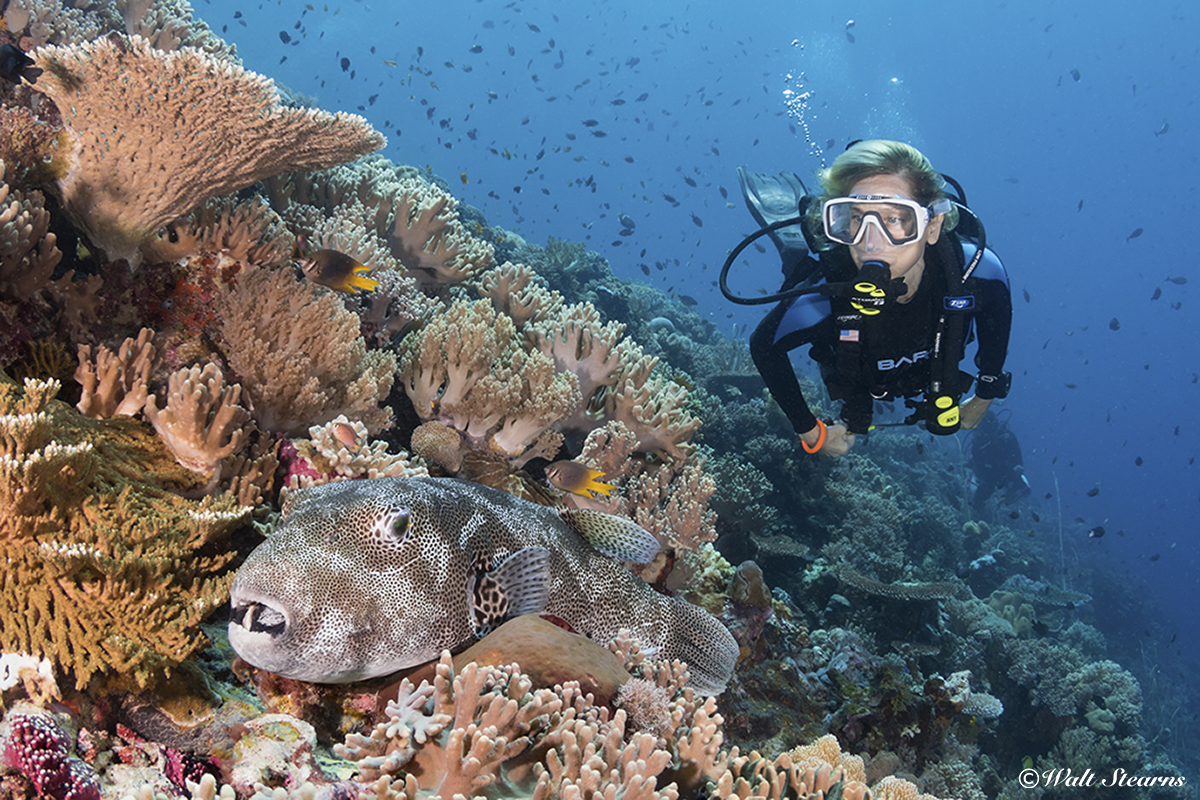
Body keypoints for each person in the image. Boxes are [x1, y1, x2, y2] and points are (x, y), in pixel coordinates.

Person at [743, 140, 1012, 457]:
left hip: (923, 374)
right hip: (858, 369)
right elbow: (764, 346)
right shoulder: (825, 296)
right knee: (801, 272)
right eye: (856, 218)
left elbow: (998, 314)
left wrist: (985, 394)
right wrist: (812, 432)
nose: (871, 243)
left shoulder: (976, 271)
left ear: (933, 225)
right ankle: (797, 245)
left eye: (895, 219)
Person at [967, 409, 1030, 511]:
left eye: (979, 428)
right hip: (989, 476)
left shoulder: (1007, 439)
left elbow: (1018, 461)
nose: (976, 433)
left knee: (1022, 490)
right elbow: (977, 462)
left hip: (1006, 473)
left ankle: (1016, 488)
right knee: (976, 503)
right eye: (976, 429)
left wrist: (1016, 471)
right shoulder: (978, 443)